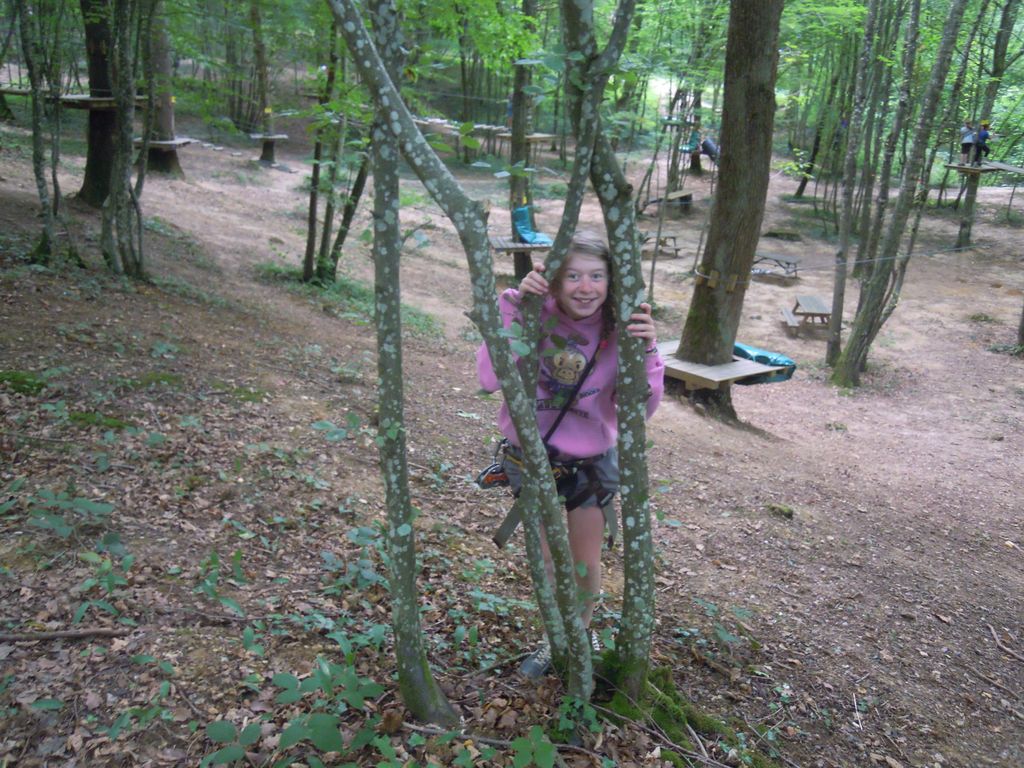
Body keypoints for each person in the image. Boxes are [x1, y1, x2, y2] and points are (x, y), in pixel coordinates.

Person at [476, 230, 665, 678]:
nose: (585, 287)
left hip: (590, 464)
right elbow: (488, 378)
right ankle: (554, 637)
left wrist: (648, 351)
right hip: (533, 459)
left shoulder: (621, 328)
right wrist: (518, 308)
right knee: (547, 560)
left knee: (584, 561)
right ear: (555, 279)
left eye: (597, 276)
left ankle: (578, 632)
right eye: (574, 275)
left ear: (612, 281)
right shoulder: (528, 311)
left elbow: (641, 410)